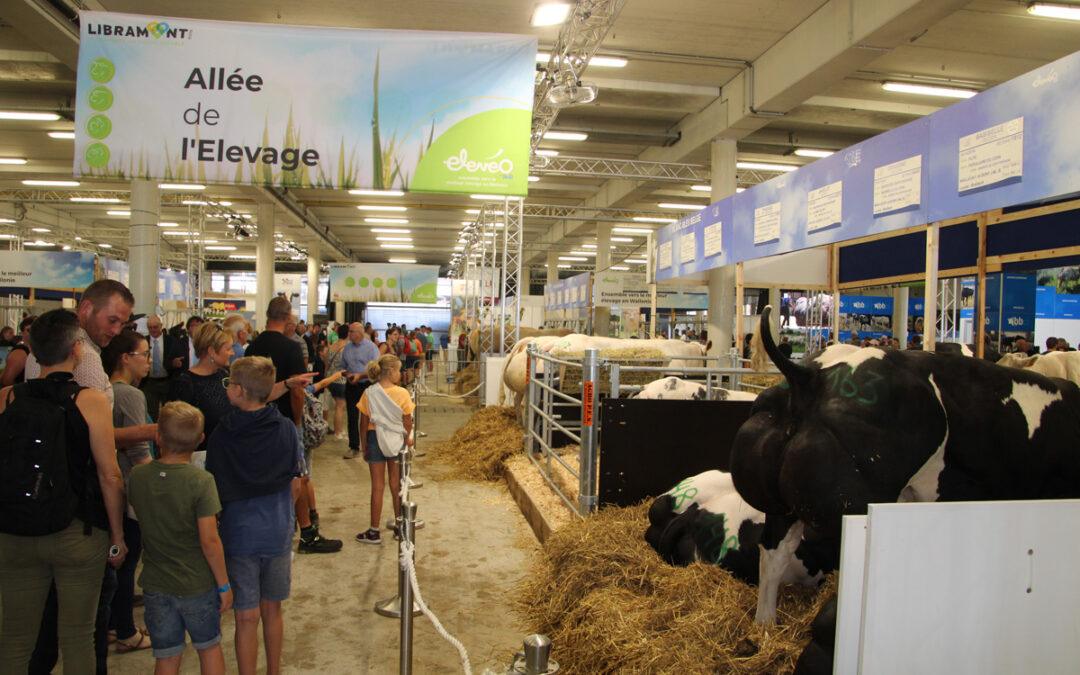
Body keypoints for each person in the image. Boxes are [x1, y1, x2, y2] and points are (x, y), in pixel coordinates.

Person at [0, 309, 127, 672]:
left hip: (15, 531)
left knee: (14, 637)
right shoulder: (89, 401)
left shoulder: (7, 397)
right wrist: (117, 535)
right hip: (77, 532)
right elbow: (110, 476)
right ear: (76, 350)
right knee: (77, 636)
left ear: (32, 350)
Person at [206, 357, 304, 675]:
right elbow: (296, 483)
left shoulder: (222, 433)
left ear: (237, 390)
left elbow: (214, 491)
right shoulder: (286, 429)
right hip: (276, 528)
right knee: (272, 610)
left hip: (238, 533)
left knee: (245, 616)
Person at [129, 401, 231, 675]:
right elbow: (210, 541)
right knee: (209, 647)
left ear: (157, 436)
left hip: (156, 584)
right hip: (196, 583)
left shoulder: (138, 476)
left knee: (166, 655)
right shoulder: (201, 481)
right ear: (200, 439)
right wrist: (223, 585)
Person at [246, 297, 340, 553]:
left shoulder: (251, 348)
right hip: (285, 422)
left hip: (255, 422)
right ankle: (305, 533)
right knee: (298, 476)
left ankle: (273, 530)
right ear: (289, 317)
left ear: (267, 315)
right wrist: (297, 421)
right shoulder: (290, 349)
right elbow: (298, 390)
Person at [101, 329, 155, 653]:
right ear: (125, 358)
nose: (149, 361)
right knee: (126, 558)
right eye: (144, 354)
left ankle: (112, 624)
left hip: (114, 485)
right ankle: (125, 630)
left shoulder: (109, 392)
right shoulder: (131, 396)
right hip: (129, 489)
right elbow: (139, 453)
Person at [354, 354, 415, 544]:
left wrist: (364, 444)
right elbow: (407, 420)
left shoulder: (369, 393)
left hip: (374, 438)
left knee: (377, 486)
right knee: (396, 484)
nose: (400, 373)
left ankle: (374, 530)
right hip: (396, 439)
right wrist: (408, 437)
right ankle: (399, 526)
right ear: (391, 372)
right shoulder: (402, 393)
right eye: (398, 370)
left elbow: (363, 422)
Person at [169, 323, 236, 470]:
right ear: (212, 351)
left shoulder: (227, 376)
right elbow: (177, 432)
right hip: (200, 464)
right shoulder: (186, 383)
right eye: (228, 348)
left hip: (229, 458)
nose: (232, 353)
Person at [342, 322, 380, 460]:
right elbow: (343, 367)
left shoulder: (371, 348)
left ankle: (369, 445)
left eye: (351, 331)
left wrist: (360, 375)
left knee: (369, 416)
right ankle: (353, 446)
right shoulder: (347, 348)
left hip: (366, 385)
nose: (349, 334)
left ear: (359, 332)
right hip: (351, 385)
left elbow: (375, 369)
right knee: (352, 416)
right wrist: (348, 375)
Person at [141, 315, 174, 421]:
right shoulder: (143, 341)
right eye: (150, 328)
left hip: (167, 381)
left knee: (168, 411)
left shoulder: (171, 341)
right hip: (149, 382)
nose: (153, 330)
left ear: (160, 326)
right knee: (151, 411)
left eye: (155, 327)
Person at [325, 324, 349, 440]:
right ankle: (338, 432)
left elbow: (326, 364)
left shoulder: (332, 347)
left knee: (338, 406)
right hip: (340, 379)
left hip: (330, 379)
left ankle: (339, 430)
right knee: (340, 407)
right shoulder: (346, 348)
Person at [0, 314, 37, 386]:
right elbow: (6, 380)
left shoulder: (36, 351)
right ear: (22, 333)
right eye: (29, 330)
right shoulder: (20, 353)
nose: (33, 333)